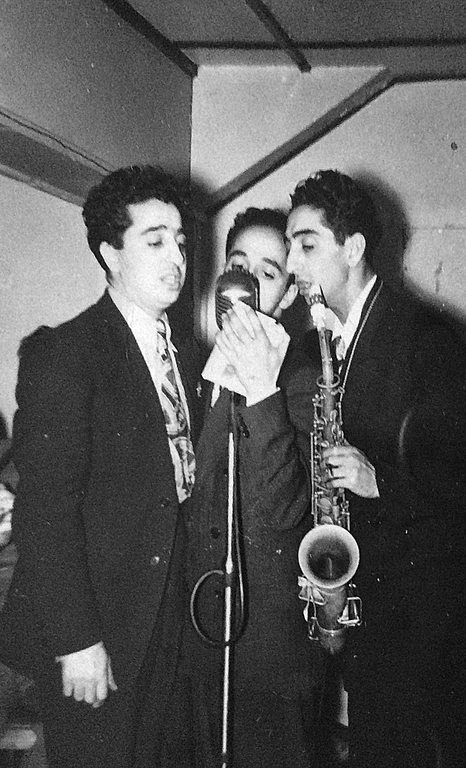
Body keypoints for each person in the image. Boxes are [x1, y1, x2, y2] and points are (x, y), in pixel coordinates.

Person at [285, 169, 466, 768]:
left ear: (355, 248)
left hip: (433, 628)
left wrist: (379, 482)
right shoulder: (327, 340)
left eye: (306, 245)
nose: (292, 262)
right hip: (381, 618)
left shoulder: (425, 338)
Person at [0, 165, 204, 768]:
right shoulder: (65, 353)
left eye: (181, 241)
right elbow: (45, 514)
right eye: (155, 240)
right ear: (109, 251)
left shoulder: (190, 360)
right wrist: (77, 641)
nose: (177, 257)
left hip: (177, 620)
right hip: (101, 631)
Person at [183, 207, 325, 768]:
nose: (244, 283)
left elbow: (292, 510)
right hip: (200, 625)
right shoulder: (193, 370)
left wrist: (264, 394)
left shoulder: (306, 379)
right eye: (236, 264)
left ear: (288, 293)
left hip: (269, 637)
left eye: (266, 272)